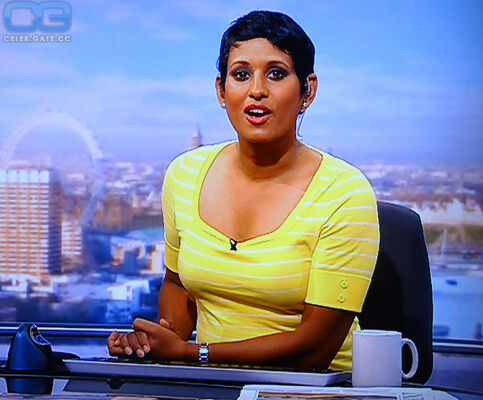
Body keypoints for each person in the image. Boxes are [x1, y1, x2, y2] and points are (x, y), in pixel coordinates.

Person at [108, 10, 379, 371]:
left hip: (315, 386)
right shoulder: (184, 175)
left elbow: (315, 351)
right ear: (222, 91)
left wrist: (192, 354)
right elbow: (177, 284)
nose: (257, 90)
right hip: (208, 384)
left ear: (308, 91)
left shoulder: (344, 193)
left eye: (276, 73)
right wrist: (158, 344)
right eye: (241, 74)